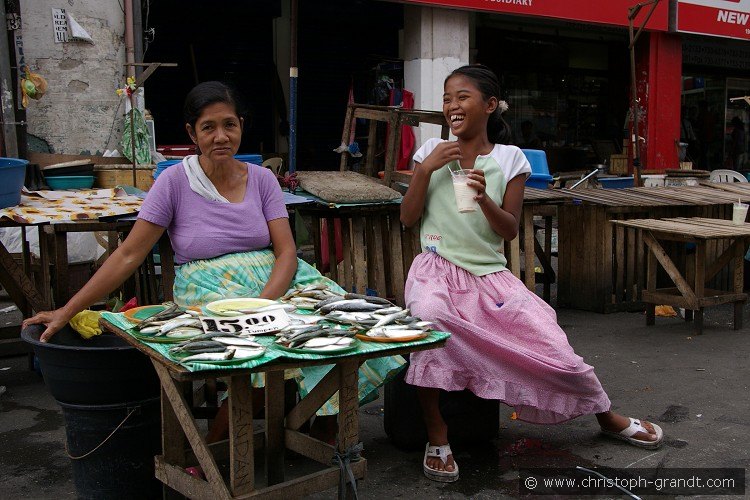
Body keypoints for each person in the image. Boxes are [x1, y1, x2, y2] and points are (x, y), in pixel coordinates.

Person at [23, 81, 405, 441]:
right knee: (254, 352)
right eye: (209, 127)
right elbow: (128, 254)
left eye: (229, 125)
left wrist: (266, 303)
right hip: (208, 287)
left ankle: (319, 429)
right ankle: (216, 449)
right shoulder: (173, 182)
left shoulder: (261, 180)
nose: (220, 136)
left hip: (279, 282)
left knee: (343, 327)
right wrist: (67, 310)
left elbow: (287, 252)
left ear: (241, 127)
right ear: (192, 133)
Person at [400, 64, 663, 483]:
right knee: (431, 322)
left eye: (462, 97)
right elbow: (408, 219)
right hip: (437, 269)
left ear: (489, 106)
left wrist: (484, 198)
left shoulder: (510, 158)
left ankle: (604, 413)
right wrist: (426, 168)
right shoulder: (429, 150)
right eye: (448, 98)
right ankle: (437, 434)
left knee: (550, 340)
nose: (452, 105)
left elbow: (507, 229)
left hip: (491, 277)